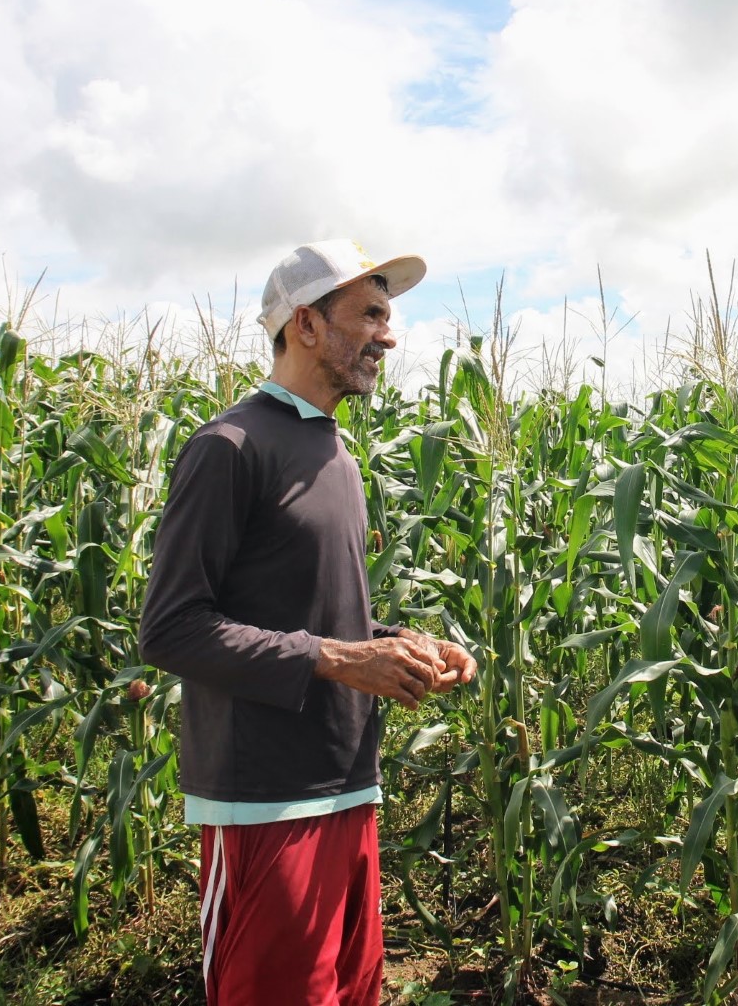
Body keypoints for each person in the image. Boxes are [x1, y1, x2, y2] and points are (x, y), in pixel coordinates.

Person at [139, 239, 477, 1005]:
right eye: (371, 315)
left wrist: (406, 647)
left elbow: (322, 615)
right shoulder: (230, 446)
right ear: (307, 325)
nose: (389, 336)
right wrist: (335, 658)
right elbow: (171, 628)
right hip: (263, 800)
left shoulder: (337, 455)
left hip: (347, 787)